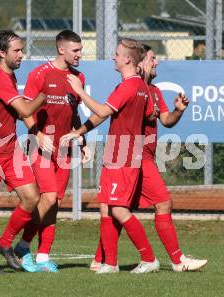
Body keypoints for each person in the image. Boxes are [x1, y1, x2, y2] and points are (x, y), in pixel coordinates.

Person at [90, 44, 207, 272]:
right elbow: (107, 113)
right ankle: (174, 260)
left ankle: (105, 260)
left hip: (142, 157)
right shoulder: (133, 88)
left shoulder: (153, 91)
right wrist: (81, 132)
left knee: (115, 207)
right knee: (125, 206)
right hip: (136, 157)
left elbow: (166, 120)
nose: (156, 63)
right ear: (140, 62)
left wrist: (178, 111)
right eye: (153, 59)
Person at [61, 38, 158, 274]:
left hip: (123, 156)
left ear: (127, 59)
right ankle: (110, 263)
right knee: (105, 208)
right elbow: (149, 116)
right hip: (120, 153)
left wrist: (79, 91)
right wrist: (79, 132)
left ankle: (149, 258)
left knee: (118, 210)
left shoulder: (129, 86)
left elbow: (102, 111)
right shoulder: (139, 87)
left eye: (117, 54)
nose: (113, 57)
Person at [13, 30, 91, 273]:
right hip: (41, 148)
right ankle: (23, 246)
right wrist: (37, 134)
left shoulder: (78, 77)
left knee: (55, 201)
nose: (80, 54)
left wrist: (83, 141)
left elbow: (75, 114)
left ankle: (44, 255)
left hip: (65, 148)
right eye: (75, 50)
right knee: (47, 197)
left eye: (80, 50)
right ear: (61, 49)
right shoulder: (40, 74)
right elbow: (23, 111)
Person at [0, 30, 47, 274]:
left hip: (9, 148)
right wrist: (45, 95)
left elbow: (17, 113)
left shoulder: (9, 76)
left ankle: (4, 243)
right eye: (17, 50)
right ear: (2, 53)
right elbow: (24, 110)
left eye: (22, 49)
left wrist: (36, 130)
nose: (22, 54)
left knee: (32, 197)